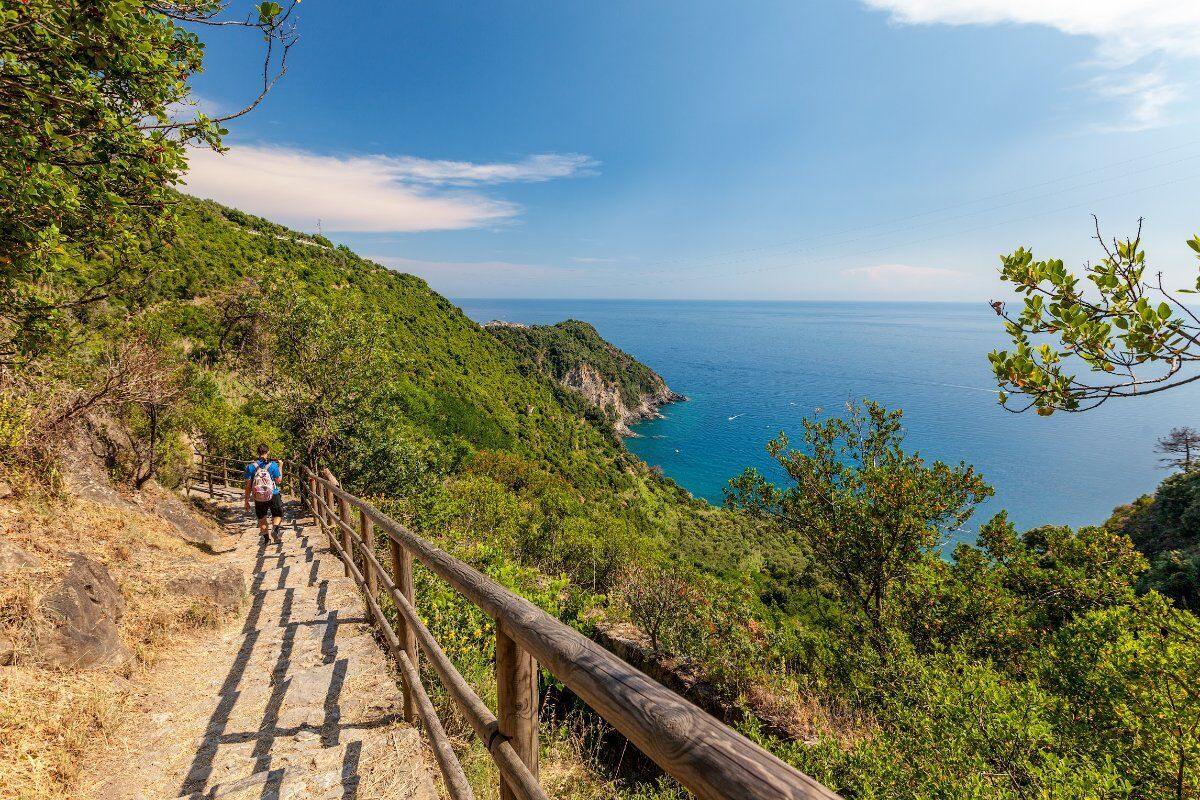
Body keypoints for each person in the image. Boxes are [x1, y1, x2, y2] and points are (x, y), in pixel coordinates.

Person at [244, 444, 283, 543]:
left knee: (262, 518)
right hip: (273, 493)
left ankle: (267, 540)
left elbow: (248, 486)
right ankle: (275, 529)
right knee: (277, 514)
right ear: (268, 451)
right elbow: (278, 481)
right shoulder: (273, 465)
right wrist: (281, 466)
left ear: (257, 453)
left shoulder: (250, 467)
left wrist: (247, 501)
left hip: (258, 496)